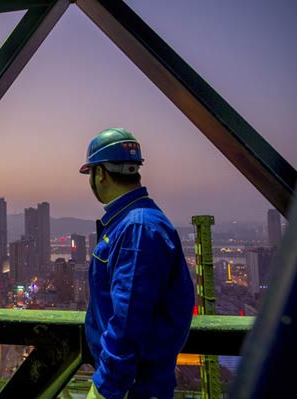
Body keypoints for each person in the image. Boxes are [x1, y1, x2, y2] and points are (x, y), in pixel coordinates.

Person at [80, 128, 195, 399]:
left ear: (100, 174)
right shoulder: (136, 221)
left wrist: (106, 388)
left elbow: (128, 320)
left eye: (91, 175)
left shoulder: (137, 229)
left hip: (132, 388)